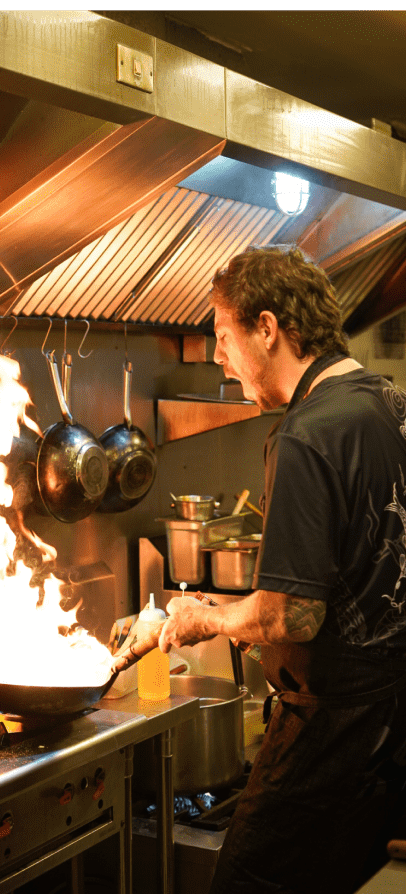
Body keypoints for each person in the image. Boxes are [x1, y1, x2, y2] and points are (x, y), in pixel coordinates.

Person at [159, 246, 406, 893]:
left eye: (221, 335)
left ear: (266, 328)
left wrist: (202, 617)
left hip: (329, 729)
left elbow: (291, 613)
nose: (217, 356)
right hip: (390, 723)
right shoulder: (389, 403)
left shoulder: (303, 433)